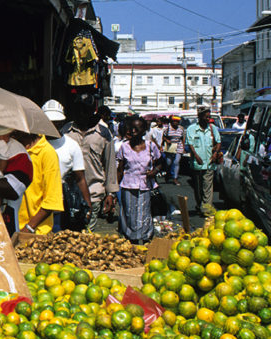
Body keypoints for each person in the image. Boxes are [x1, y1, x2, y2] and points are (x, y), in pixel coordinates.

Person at [63, 101, 118, 232]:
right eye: (79, 111)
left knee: (87, 236)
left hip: (94, 193)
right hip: (68, 194)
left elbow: (110, 164)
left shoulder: (103, 133)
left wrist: (110, 193)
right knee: (68, 235)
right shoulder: (65, 131)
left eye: (86, 111)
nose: (82, 115)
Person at [42, 100, 91, 231]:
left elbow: (80, 178)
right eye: (50, 121)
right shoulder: (34, 144)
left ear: (62, 122)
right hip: (37, 204)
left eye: (56, 122)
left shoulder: (71, 145)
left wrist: (88, 205)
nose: (53, 125)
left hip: (61, 205)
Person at [116, 115, 163, 244]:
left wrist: (154, 171)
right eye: (131, 128)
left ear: (144, 130)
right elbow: (120, 169)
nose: (133, 131)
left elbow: (160, 162)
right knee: (129, 213)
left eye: (137, 128)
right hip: (128, 185)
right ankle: (132, 241)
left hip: (145, 185)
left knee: (144, 213)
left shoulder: (150, 146)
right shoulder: (124, 147)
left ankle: (145, 240)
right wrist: (113, 191)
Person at [13, 131, 64, 236]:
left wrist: (28, 228)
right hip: (12, 226)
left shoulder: (47, 153)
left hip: (35, 232)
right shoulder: (12, 148)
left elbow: (51, 201)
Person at [185, 107, 221, 216]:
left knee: (207, 187)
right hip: (197, 163)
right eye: (206, 117)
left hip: (209, 162)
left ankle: (206, 209)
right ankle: (199, 204)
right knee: (198, 187)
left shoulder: (213, 128)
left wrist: (215, 154)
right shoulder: (191, 129)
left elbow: (218, 142)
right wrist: (196, 156)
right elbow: (190, 144)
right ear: (200, 117)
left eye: (209, 117)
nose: (208, 119)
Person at [161, 115, 186, 185]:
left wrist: (183, 148)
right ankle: (168, 173)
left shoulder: (181, 129)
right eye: (174, 121)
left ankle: (175, 178)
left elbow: (182, 138)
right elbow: (163, 137)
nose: (176, 123)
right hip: (170, 147)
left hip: (178, 146)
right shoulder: (167, 129)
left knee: (176, 162)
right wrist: (166, 140)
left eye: (177, 121)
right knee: (168, 162)